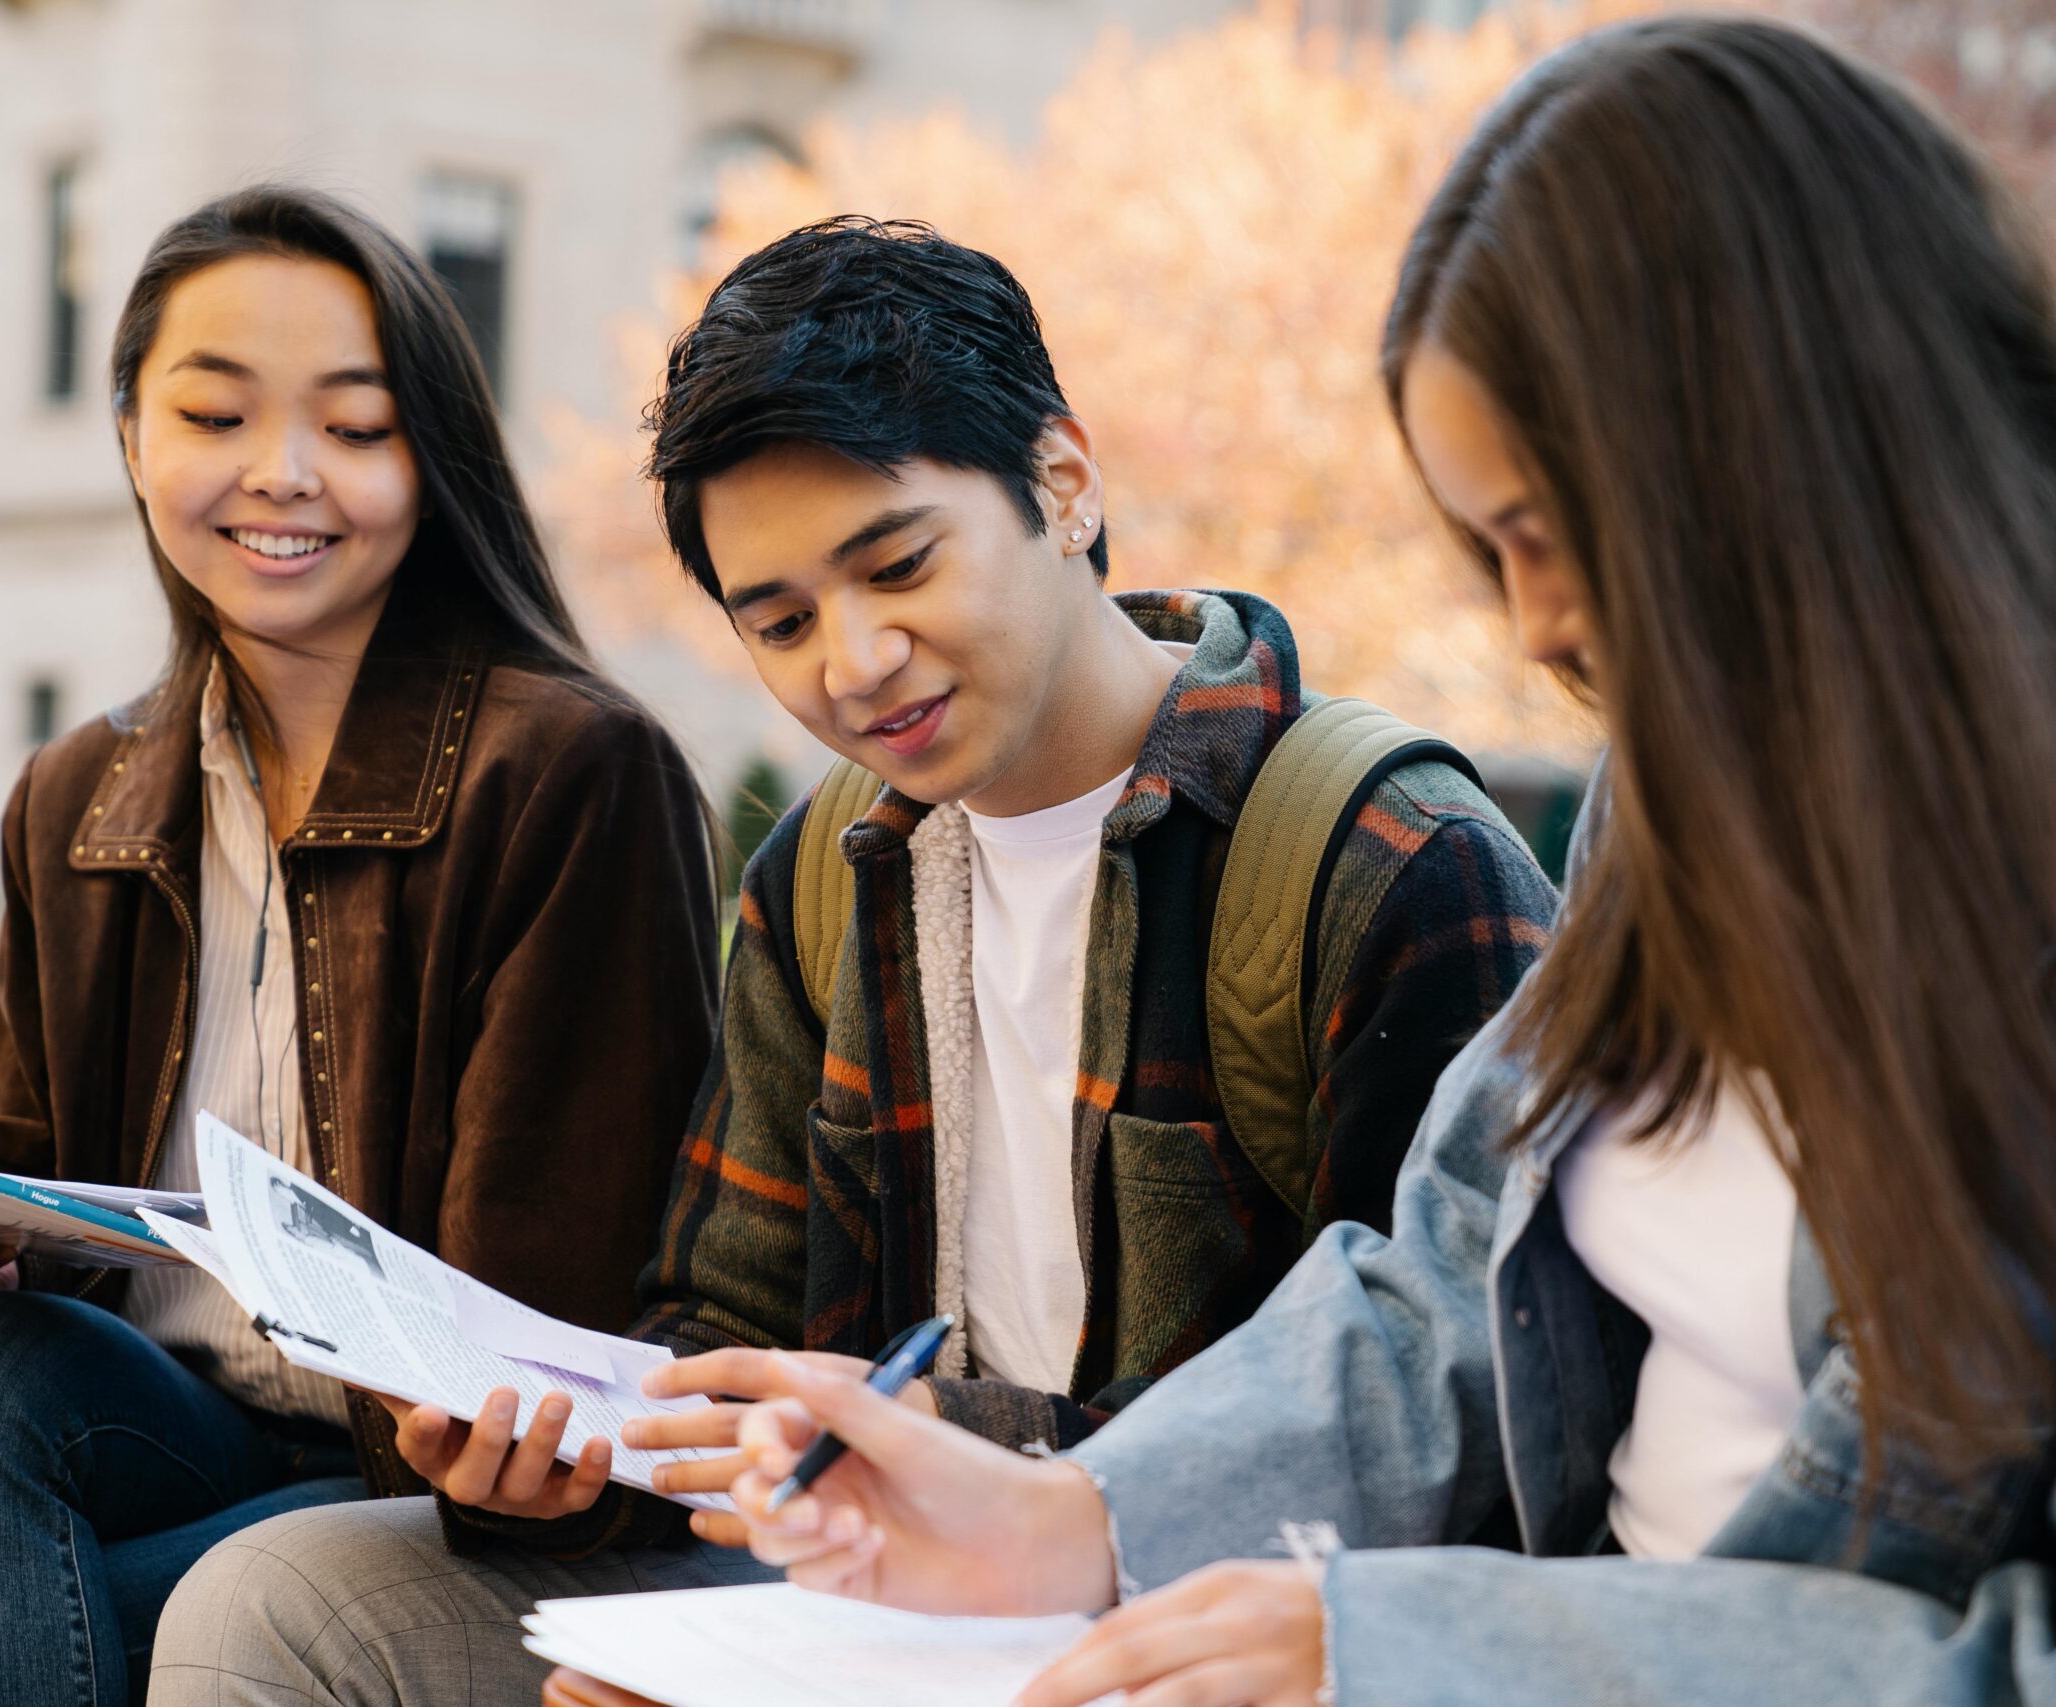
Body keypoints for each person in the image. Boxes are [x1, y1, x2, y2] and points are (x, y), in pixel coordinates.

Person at [721, 18, 2056, 1706]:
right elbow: (1447, 1276)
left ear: (1783, 441)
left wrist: (1416, 1652)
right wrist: (1077, 1521)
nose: (1538, 625)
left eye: (1555, 535)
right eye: (1490, 556)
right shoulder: (1700, 764)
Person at [148, 217, 1558, 1705]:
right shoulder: (828, 872)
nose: (855, 659)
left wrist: (956, 1446)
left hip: (1211, 1625)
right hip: (866, 1604)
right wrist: (570, 1456)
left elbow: (1461, 1427)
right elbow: (723, 1328)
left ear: (1064, 484)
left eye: (899, 565)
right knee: (280, 1606)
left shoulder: (1387, 861)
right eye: (780, 619)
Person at [0, 184, 718, 1707]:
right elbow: (52, 1161)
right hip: (156, 1429)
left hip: (408, 1480)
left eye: (358, 428)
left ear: (433, 459)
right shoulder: (76, 798)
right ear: (130, 439)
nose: (282, 475)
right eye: (214, 415)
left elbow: (544, 1304)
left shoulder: (565, 773)